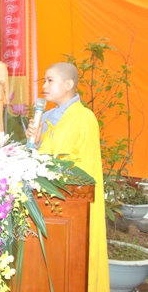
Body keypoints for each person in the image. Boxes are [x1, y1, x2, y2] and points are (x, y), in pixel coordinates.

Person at [25, 62, 109, 291]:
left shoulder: (84, 118)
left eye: (50, 80)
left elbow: (84, 166)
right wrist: (35, 142)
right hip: (43, 200)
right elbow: (35, 157)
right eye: (43, 80)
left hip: (69, 204)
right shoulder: (45, 117)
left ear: (69, 84)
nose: (44, 86)